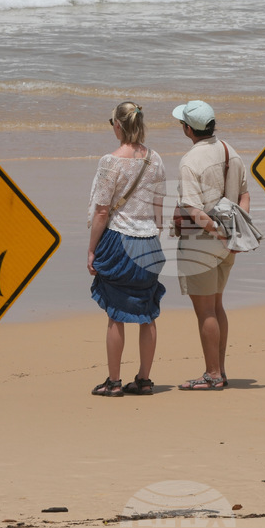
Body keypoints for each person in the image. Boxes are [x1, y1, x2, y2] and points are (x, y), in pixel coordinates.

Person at [87, 101, 167, 397]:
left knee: (115, 313)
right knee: (148, 313)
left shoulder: (110, 161)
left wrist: (91, 250)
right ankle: (144, 380)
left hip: (119, 242)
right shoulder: (155, 159)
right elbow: (159, 207)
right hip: (149, 243)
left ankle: (114, 381)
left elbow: (101, 212)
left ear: (118, 125)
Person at [172, 100, 250, 391]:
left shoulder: (190, 161)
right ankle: (220, 370)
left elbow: (194, 211)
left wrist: (219, 234)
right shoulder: (231, 151)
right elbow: (244, 196)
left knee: (205, 311)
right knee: (217, 306)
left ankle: (213, 374)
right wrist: (235, 234)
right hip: (228, 243)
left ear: (189, 129)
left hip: (202, 244)